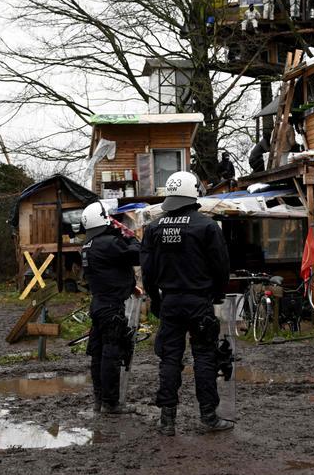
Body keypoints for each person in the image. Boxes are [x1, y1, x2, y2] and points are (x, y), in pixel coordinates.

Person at [141, 170, 233, 436]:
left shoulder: (153, 228)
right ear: (194, 192)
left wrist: (156, 301)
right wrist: (217, 296)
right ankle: (208, 416)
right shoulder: (206, 227)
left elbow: (147, 271)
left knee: (169, 359)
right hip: (198, 301)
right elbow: (221, 267)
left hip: (169, 301)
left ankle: (167, 419)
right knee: (205, 356)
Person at [80, 201, 142, 415]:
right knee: (111, 354)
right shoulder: (108, 242)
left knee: (98, 354)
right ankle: (111, 403)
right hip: (111, 307)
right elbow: (137, 254)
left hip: (98, 304)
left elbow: (111, 270)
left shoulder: (88, 245)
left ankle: (99, 399)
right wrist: (130, 236)